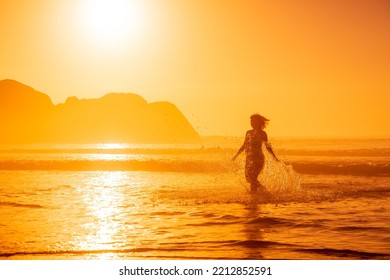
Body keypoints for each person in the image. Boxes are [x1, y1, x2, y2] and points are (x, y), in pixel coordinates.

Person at [232, 114, 279, 192]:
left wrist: (274, 157)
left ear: (258, 122)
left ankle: (255, 195)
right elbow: (244, 145)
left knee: (253, 178)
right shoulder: (248, 132)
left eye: (253, 121)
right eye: (251, 122)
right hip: (249, 158)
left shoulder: (263, 133)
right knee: (248, 178)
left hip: (258, 159)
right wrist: (236, 155)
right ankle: (260, 192)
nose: (251, 123)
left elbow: (267, 147)